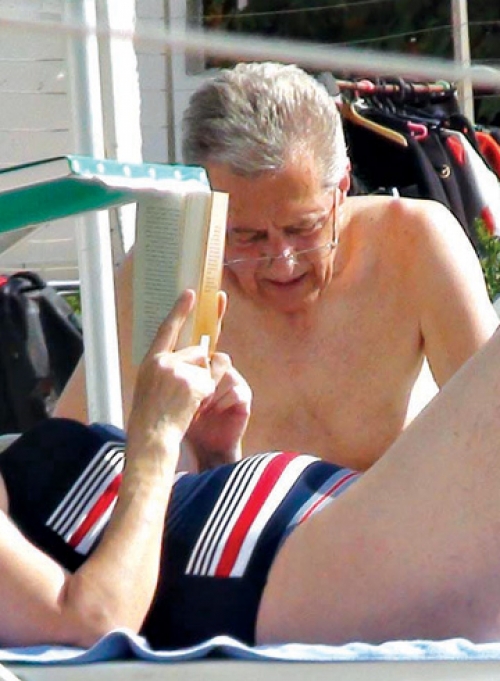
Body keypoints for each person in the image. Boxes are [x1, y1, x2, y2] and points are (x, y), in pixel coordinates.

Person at [54, 62, 498, 472]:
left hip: (399, 517)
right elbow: (63, 456)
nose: (282, 263)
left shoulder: (412, 242)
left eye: (302, 228)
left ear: (341, 187)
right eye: (246, 236)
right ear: (205, 210)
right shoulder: (170, 270)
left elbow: (491, 424)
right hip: (240, 525)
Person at [5, 288, 500, 654]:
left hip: (320, 536)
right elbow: (92, 624)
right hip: (293, 571)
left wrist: (212, 459)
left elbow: (161, 535)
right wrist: (156, 437)